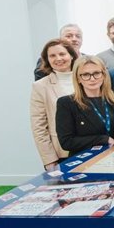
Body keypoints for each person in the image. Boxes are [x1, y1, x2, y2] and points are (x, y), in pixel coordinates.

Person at [56, 56, 114, 154]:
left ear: (104, 75)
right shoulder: (66, 103)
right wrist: (103, 139)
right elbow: (66, 142)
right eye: (85, 74)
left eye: (96, 73)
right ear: (78, 79)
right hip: (85, 161)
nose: (92, 79)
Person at [30, 39, 79, 170]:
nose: (58, 58)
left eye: (62, 54)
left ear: (72, 55)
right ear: (47, 60)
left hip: (92, 146)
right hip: (61, 152)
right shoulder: (40, 86)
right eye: (52, 55)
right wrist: (49, 159)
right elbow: (39, 127)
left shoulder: (86, 78)